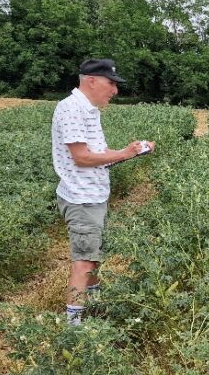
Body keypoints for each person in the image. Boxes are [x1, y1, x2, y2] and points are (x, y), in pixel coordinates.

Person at [52, 59, 155, 325]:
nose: (115, 91)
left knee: (93, 257)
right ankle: (74, 329)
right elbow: (82, 158)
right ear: (91, 80)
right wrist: (124, 153)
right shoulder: (72, 109)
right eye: (111, 84)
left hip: (93, 195)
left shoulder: (88, 110)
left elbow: (98, 155)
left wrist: (130, 153)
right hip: (82, 198)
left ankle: (95, 308)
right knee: (84, 261)